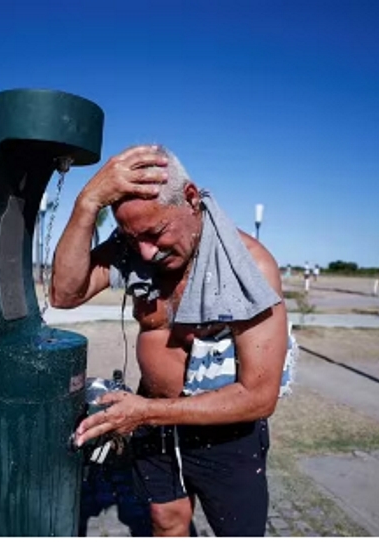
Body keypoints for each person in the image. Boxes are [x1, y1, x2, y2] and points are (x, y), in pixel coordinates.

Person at [51, 145, 288, 536]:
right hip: (153, 419)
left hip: (224, 434)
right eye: (132, 237)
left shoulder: (250, 265)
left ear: (191, 199)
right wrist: (87, 201)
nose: (146, 251)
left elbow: (260, 395)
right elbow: (64, 293)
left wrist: (143, 413)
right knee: (166, 521)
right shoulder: (136, 248)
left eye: (155, 232)